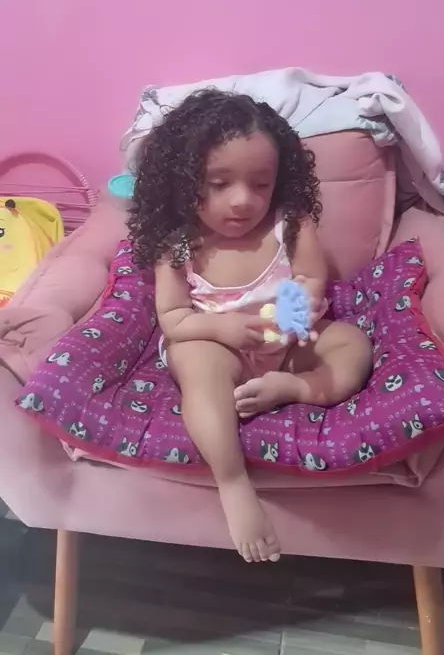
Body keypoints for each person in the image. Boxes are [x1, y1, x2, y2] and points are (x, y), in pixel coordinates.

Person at [128, 89, 372, 563]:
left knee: (351, 342)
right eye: (219, 184)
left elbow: (310, 278)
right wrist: (221, 330)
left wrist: (296, 311)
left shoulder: (290, 224)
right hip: (215, 345)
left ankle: (296, 388)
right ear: (182, 182)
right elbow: (174, 319)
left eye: (260, 184)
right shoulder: (177, 245)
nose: (242, 201)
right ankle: (233, 482)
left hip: (285, 344)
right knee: (197, 364)